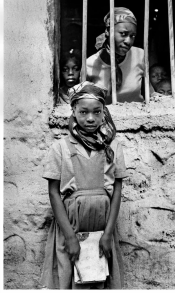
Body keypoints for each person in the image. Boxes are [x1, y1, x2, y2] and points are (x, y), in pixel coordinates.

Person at [40, 81, 127, 289]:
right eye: (83, 112)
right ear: (74, 111)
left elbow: (117, 190)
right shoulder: (60, 147)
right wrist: (70, 237)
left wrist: (107, 234)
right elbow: (53, 193)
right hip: (70, 226)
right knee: (68, 279)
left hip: (102, 226)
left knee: (100, 280)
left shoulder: (113, 146)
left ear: (103, 112)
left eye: (97, 112)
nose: (90, 118)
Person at [86, 7, 145, 103]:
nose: (128, 41)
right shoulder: (90, 64)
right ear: (108, 31)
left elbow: (150, 92)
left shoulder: (140, 55)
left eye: (132, 36)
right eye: (123, 34)